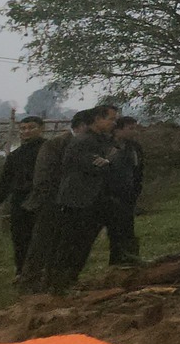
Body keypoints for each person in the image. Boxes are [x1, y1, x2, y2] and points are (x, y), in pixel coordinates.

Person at [48, 105, 120, 294]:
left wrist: (108, 162)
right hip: (77, 201)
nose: (113, 123)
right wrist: (108, 162)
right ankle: (59, 285)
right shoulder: (84, 141)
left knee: (84, 244)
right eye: (110, 119)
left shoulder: (101, 141)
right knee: (71, 244)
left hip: (94, 201)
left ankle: (70, 281)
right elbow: (96, 166)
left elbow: (111, 162)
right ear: (97, 119)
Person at [19, 109, 88, 293]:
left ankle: (53, 282)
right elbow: (44, 177)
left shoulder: (79, 143)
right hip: (50, 201)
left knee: (60, 244)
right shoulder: (57, 145)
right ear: (82, 126)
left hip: (68, 202)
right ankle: (29, 284)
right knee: (41, 244)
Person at [0, 117, 46, 275]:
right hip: (20, 200)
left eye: (31, 127)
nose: (26, 131)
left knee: (41, 237)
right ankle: (22, 272)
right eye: (23, 128)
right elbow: (5, 181)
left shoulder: (49, 150)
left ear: (41, 129)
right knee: (20, 237)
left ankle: (42, 271)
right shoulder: (15, 155)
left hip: (42, 199)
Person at [103, 116, 144, 266]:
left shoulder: (134, 147)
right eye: (130, 128)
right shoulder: (105, 146)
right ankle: (116, 261)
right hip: (109, 195)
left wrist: (136, 190)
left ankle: (130, 259)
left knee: (127, 228)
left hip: (128, 194)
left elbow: (138, 170)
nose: (134, 131)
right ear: (118, 129)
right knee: (114, 231)